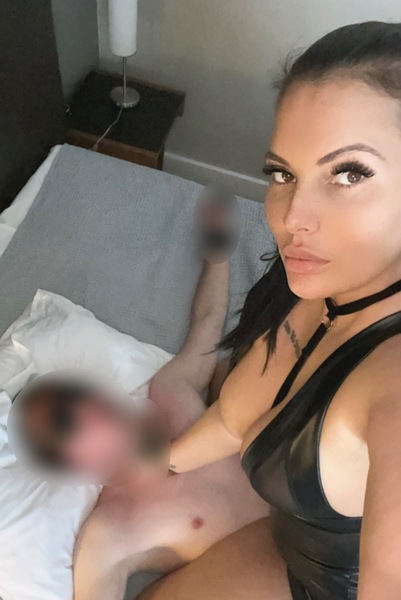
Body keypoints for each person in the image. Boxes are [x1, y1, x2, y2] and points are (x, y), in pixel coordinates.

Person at [138, 21, 401, 600]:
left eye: (349, 173)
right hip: (292, 544)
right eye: (283, 174)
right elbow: (236, 420)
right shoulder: (315, 282)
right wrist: (158, 461)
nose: (290, 218)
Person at [14, 188, 268, 600]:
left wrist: (217, 256)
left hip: (322, 491)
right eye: (64, 420)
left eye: (76, 391)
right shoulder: (111, 531)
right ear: (70, 465)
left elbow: (207, 325)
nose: (85, 402)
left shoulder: (169, 395)